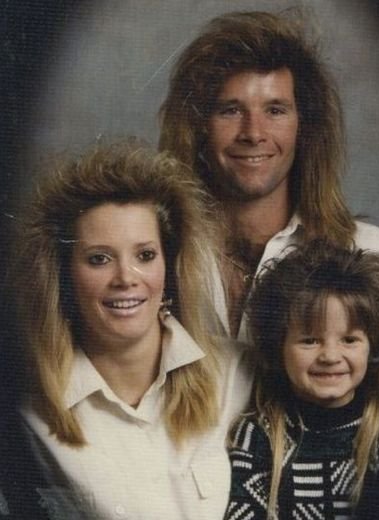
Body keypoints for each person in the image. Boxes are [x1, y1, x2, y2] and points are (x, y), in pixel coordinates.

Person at [158, 10, 379, 406]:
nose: (253, 133)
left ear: (304, 128)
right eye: (230, 110)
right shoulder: (153, 259)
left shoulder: (376, 255)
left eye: (275, 110)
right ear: (198, 127)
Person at [7, 140, 251, 519]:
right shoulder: (25, 410)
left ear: (169, 267)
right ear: (64, 276)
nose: (125, 278)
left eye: (145, 255)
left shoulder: (237, 374)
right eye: (99, 259)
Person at [224, 242, 379, 520]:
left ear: (372, 346)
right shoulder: (258, 436)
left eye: (349, 339)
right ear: (278, 346)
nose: (330, 356)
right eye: (310, 340)